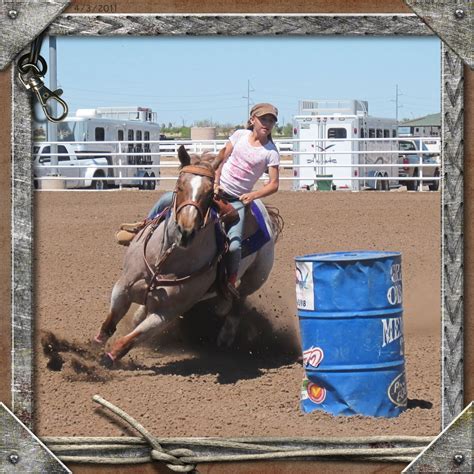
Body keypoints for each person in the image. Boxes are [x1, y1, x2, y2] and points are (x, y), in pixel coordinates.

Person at [119, 103, 280, 298]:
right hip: (214, 190)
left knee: (235, 244)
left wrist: (252, 196)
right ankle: (143, 227)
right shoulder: (239, 136)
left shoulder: (270, 152)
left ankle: (228, 281)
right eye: (264, 119)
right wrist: (215, 181)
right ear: (252, 120)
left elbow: (274, 184)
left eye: (271, 121)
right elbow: (221, 157)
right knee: (166, 199)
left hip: (237, 200)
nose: (267, 123)